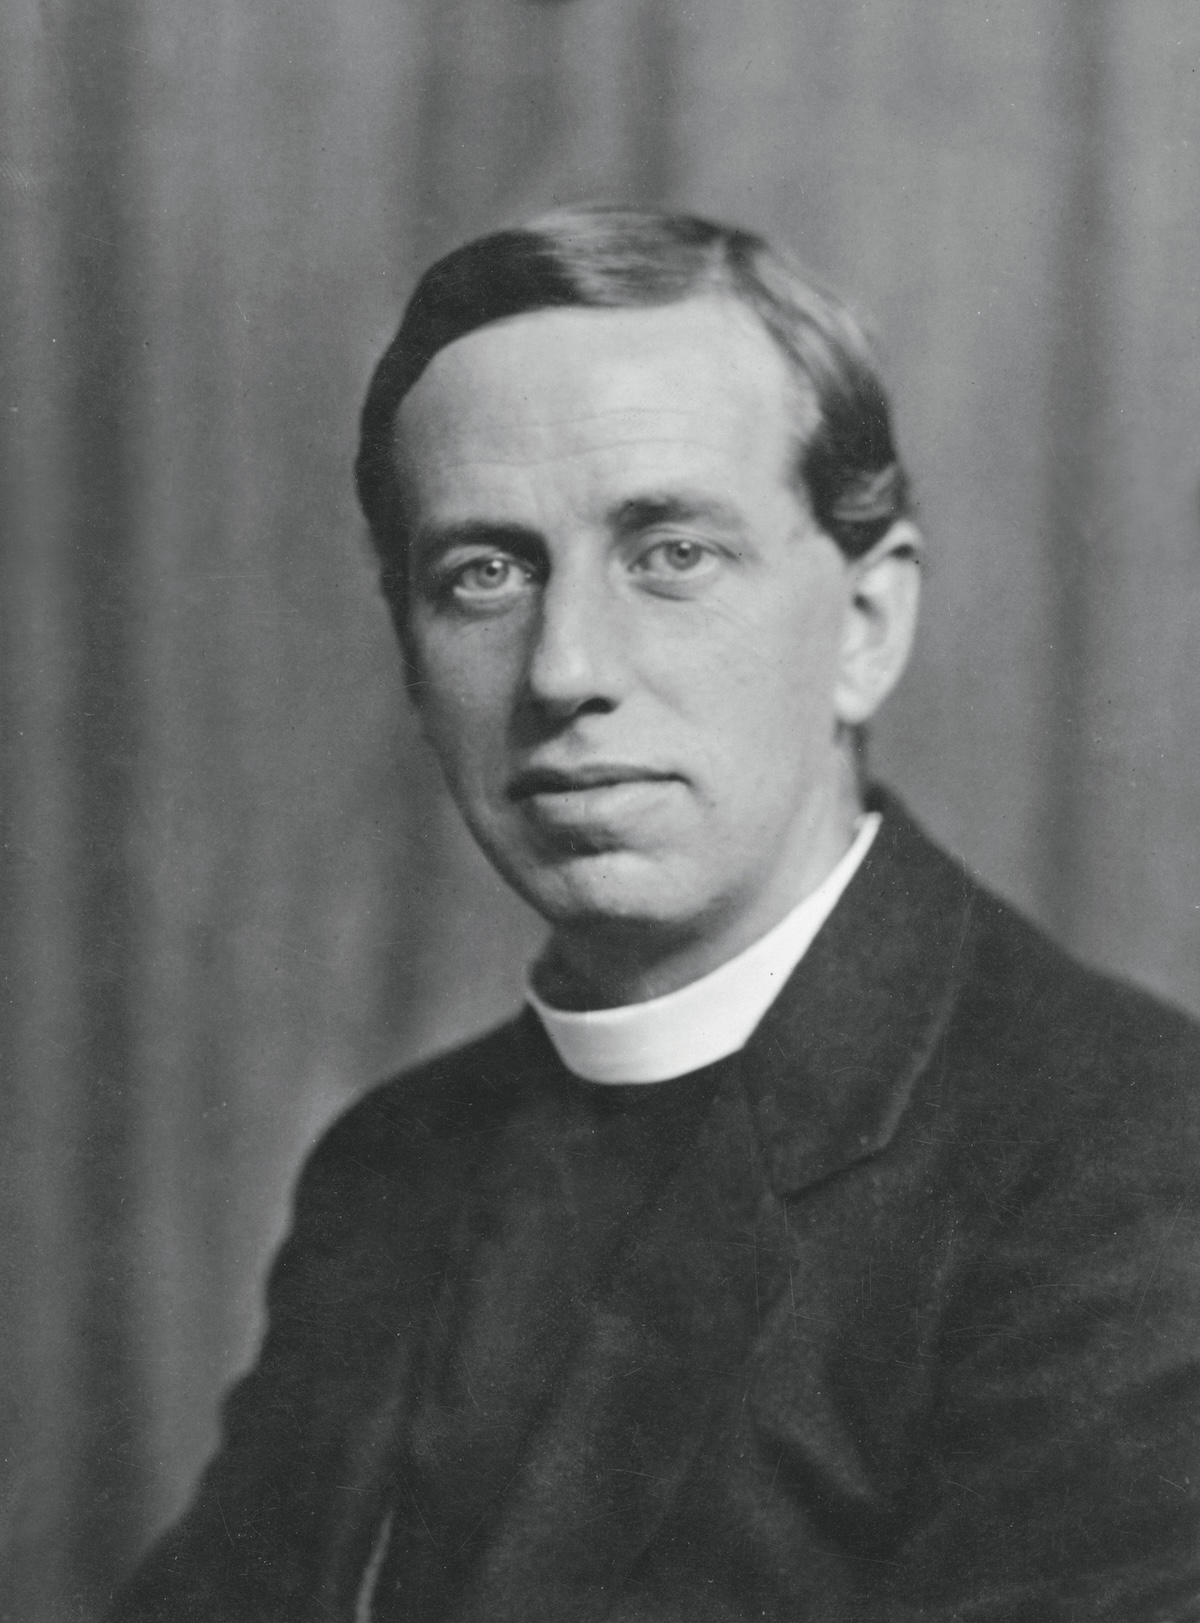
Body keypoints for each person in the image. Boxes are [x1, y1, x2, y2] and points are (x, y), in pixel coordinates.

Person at [110, 206, 1199, 1622]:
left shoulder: (1126, 1168)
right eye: (483, 573)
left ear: (866, 626)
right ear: (409, 654)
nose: (564, 668)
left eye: (670, 553)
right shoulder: (390, 1170)